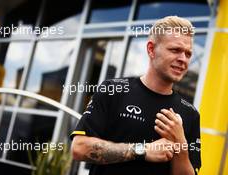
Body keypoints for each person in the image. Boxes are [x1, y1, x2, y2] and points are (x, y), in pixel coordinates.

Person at [70, 16, 201, 175]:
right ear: (151, 49)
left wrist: (180, 144)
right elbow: (79, 148)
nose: (183, 59)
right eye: (175, 50)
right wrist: (143, 150)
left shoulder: (190, 114)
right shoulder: (114, 90)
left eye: (188, 54)